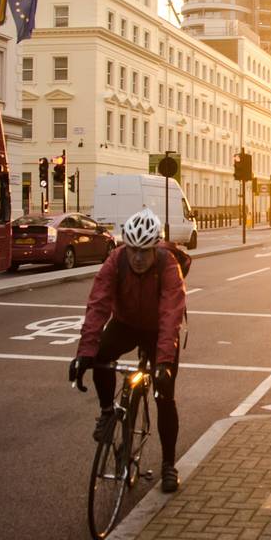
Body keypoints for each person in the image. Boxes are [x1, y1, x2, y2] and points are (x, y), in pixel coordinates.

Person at [68, 209, 187, 493]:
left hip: (159, 329)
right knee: (99, 357)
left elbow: (171, 315)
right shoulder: (116, 261)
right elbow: (98, 304)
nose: (137, 257)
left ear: (154, 247)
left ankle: (169, 465)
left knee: (164, 396)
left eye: (144, 251)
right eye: (132, 249)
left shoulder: (168, 265)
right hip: (126, 323)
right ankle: (108, 412)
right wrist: (84, 354)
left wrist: (164, 364)